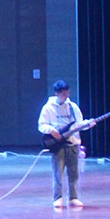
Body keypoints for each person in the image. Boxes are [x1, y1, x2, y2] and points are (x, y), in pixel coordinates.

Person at [37, 79, 93, 208]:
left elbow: (79, 124)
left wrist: (88, 124)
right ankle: (58, 198)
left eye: (67, 93)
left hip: (73, 144)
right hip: (58, 145)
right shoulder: (48, 108)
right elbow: (42, 125)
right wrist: (51, 130)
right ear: (57, 93)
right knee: (58, 173)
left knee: (74, 173)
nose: (66, 96)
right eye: (63, 94)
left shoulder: (73, 107)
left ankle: (73, 197)